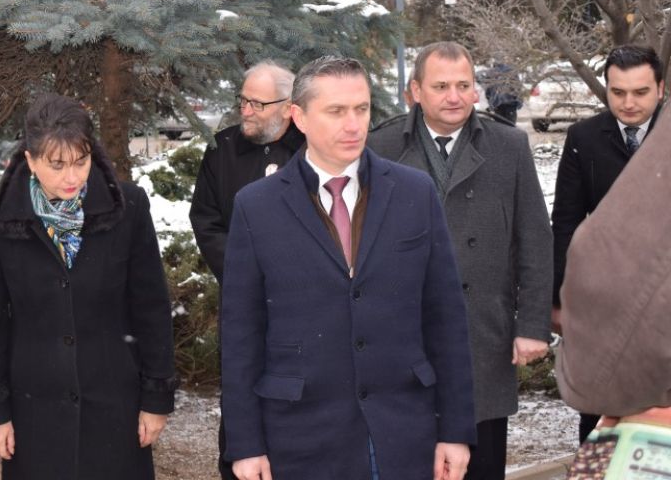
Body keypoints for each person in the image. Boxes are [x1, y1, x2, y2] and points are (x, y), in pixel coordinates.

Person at [222, 56, 475, 480]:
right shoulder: (256, 206)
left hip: (403, 432)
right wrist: (246, 444)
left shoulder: (415, 193)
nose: (353, 125)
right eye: (336, 111)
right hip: (302, 437)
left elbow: (446, 319)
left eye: (361, 109)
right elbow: (241, 334)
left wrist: (455, 430)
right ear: (299, 117)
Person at [367, 41, 552, 480]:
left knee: (481, 460)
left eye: (463, 86)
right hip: (402, 337)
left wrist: (532, 325)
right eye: (441, 86)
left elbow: (534, 238)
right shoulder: (380, 146)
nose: (454, 97)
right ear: (415, 91)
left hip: (483, 334)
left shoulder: (509, 146)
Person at [0, 93, 178, 480]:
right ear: (30, 160)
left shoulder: (127, 207)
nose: (72, 177)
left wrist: (156, 398)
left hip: (115, 401)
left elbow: (151, 306)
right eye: (57, 165)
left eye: (81, 162)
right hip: (34, 407)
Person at [188, 59, 303, 480]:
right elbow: (205, 219)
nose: (246, 111)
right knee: (241, 398)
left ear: (289, 107)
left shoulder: (310, 150)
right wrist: (243, 273)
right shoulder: (222, 149)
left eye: (258, 103)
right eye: (243, 100)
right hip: (242, 302)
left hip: (303, 307)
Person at [551, 43, 664, 442]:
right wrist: (559, 298)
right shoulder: (584, 138)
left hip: (664, 303)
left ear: (661, 89)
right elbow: (565, 222)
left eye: (640, 92)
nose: (628, 103)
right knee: (601, 421)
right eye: (618, 92)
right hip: (605, 307)